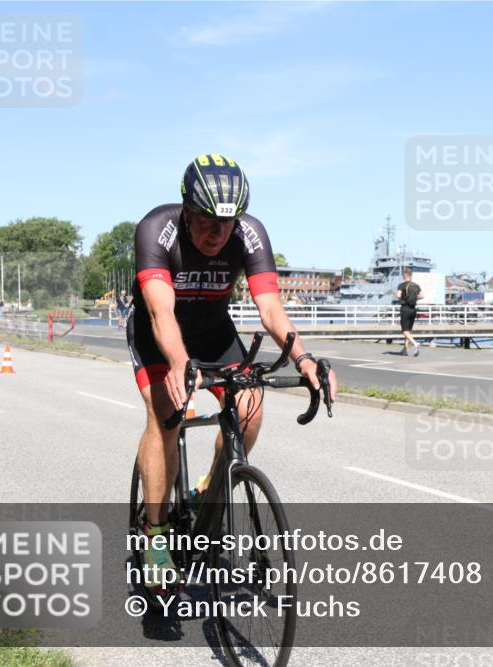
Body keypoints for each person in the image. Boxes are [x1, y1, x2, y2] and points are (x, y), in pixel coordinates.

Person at [128, 154, 337, 591]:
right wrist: (180, 366)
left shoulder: (250, 234)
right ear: (186, 210)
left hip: (212, 328)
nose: (217, 232)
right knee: (165, 412)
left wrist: (303, 358)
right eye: (206, 220)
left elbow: (270, 308)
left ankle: (210, 491)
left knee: (250, 406)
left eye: (227, 222)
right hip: (158, 331)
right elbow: (160, 312)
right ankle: (156, 533)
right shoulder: (156, 229)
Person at [395, 268, 423, 356]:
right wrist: (414, 298)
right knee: (409, 330)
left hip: (405, 309)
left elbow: (398, 296)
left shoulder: (401, 285)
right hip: (413, 310)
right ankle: (405, 350)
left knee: (404, 331)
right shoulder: (416, 285)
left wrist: (404, 298)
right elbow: (422, 295)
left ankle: (416, 344)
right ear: (411, 275)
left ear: (404, 275)